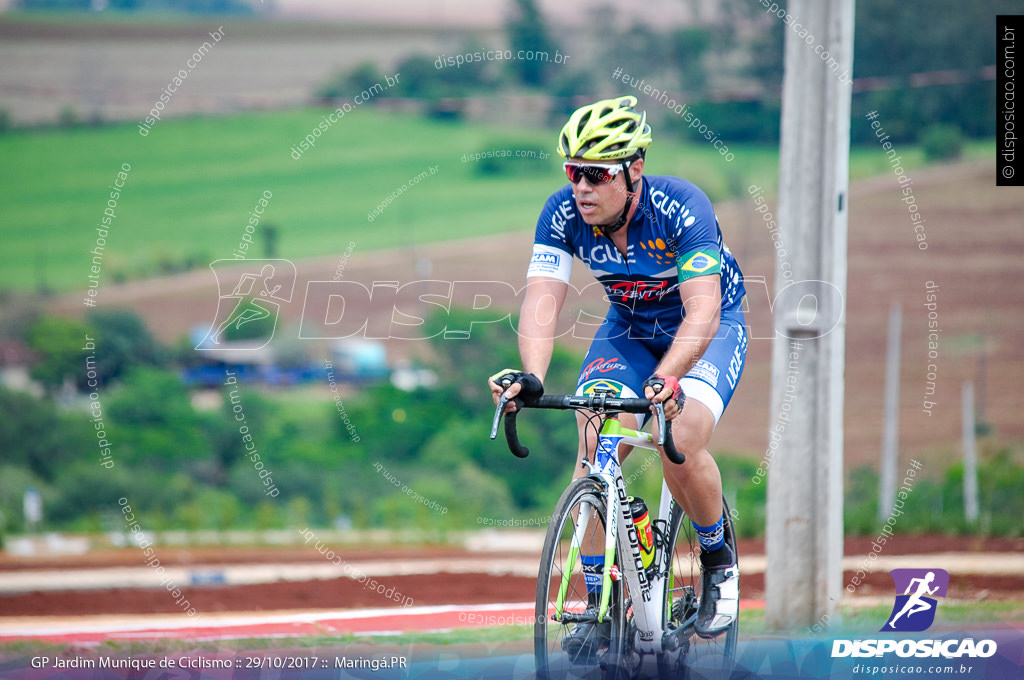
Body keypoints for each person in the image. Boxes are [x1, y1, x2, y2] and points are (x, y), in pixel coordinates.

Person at [489, 96, 747, 655]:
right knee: (592, 436)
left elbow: (702, 310)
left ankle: (717, 559)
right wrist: (532, 376)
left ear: (634, 171)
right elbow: (541, 301)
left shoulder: (682, 206)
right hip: (629, 329)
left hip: (706, 328)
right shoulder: (560, 214)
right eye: (572, 172)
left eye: (595, 174)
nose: (581, 187)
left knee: (676, 435)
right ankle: (599, 600)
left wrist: (671, 377)